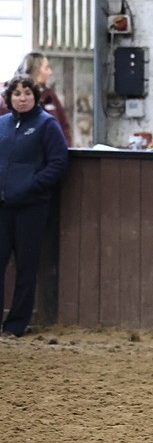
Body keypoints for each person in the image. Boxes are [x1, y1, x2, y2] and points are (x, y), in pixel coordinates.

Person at [0, 76, 69, 337]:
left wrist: (32, 185)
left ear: (35, 96)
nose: (22, 98)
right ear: (9, 99)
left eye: (27, 93)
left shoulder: (47, 125)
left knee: (26, 267)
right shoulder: (2, 125)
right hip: (3, 206)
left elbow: (58, 163)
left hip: (31, 207)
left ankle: (16, 324)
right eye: (17, 94)